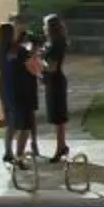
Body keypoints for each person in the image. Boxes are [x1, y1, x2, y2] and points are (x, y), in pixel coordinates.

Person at [0, 20, 33, 164]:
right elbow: (29, 64)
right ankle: (19, 155)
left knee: (10, 121)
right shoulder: (20, 51)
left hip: (4, 87)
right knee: (25, 124)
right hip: (19, 88)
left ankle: (8, 152)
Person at [40, 13, 72, 159]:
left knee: (58, 116)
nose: (43, 28)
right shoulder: (57, 42)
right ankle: (61, 145)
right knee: (58, 117)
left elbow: (51, 67)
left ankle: (61, 147)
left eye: (45, 25)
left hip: (55, 81)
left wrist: (38, 65)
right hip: (56, 80)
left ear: (51, 28)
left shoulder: (55, 45)